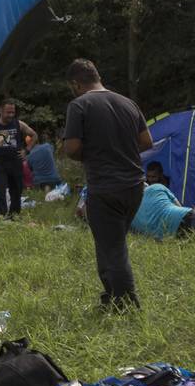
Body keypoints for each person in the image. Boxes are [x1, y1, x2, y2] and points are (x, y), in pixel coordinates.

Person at [62, 59, 150, 309]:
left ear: (76, 83)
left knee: (113, 247)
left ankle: (127, 304)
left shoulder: (79, 105)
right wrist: (121, 149)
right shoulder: (128, 103)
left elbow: (72, 148)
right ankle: (111, 296)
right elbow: (146, 141)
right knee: (110, 241)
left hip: (105, 186)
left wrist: (97, 151)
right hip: (135, 185)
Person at [0, 100, 36, 218]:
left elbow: (34, 135)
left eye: (13, 112)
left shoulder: (18, 124)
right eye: (8, 112)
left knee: (16, 190)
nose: (11, 115)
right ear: (0, 111)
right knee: (0, 190)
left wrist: (27, 150)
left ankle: (14, 216)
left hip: (15, 162)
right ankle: (1, 216)